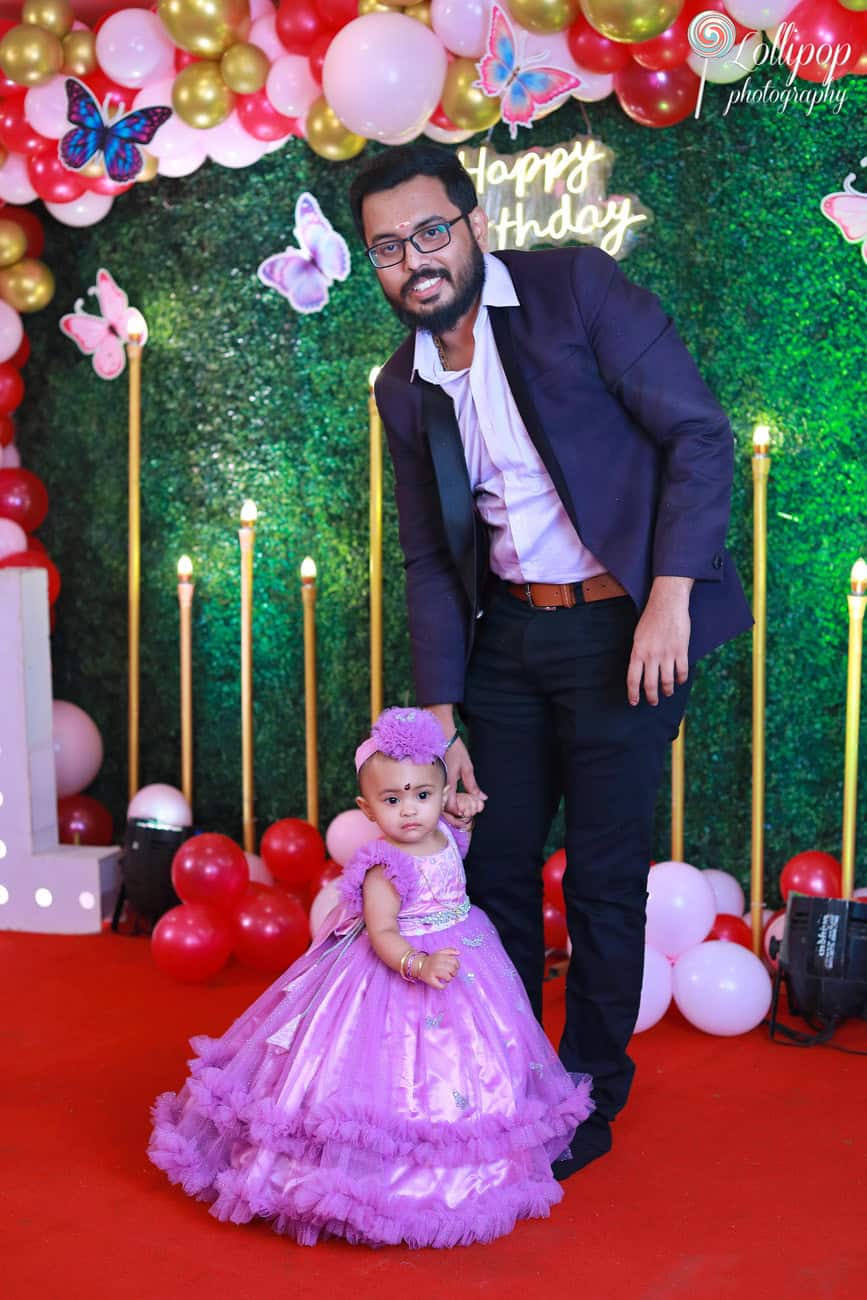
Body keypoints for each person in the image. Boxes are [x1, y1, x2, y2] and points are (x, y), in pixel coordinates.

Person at [348, 143, 753, 1179]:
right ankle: (511, 1071)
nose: (415, 260)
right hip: (508, 642)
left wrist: (671, 594)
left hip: (628, 627)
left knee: (607, 880)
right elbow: (432, 556)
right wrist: (440, 716)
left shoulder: (575, 287)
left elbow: (700, 435)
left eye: (431, 232)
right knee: (494, 872)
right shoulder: (403, 388)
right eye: (389, 247)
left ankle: (586, 1094)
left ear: (475, 225)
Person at [148, 707, 595, 1249]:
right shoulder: (384, 867)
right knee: (388, 1069)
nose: (410, 811)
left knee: (478, 1059)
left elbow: (456, 850)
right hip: (403, 967)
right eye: (392, 800)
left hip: (467, 954)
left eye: (423, 796)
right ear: (367, 808)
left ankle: (479, 1158)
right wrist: (417, 963)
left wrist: (463, 819)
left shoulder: (442, 836)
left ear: (441, 790)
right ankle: (372, 1177)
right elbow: (382, 932)